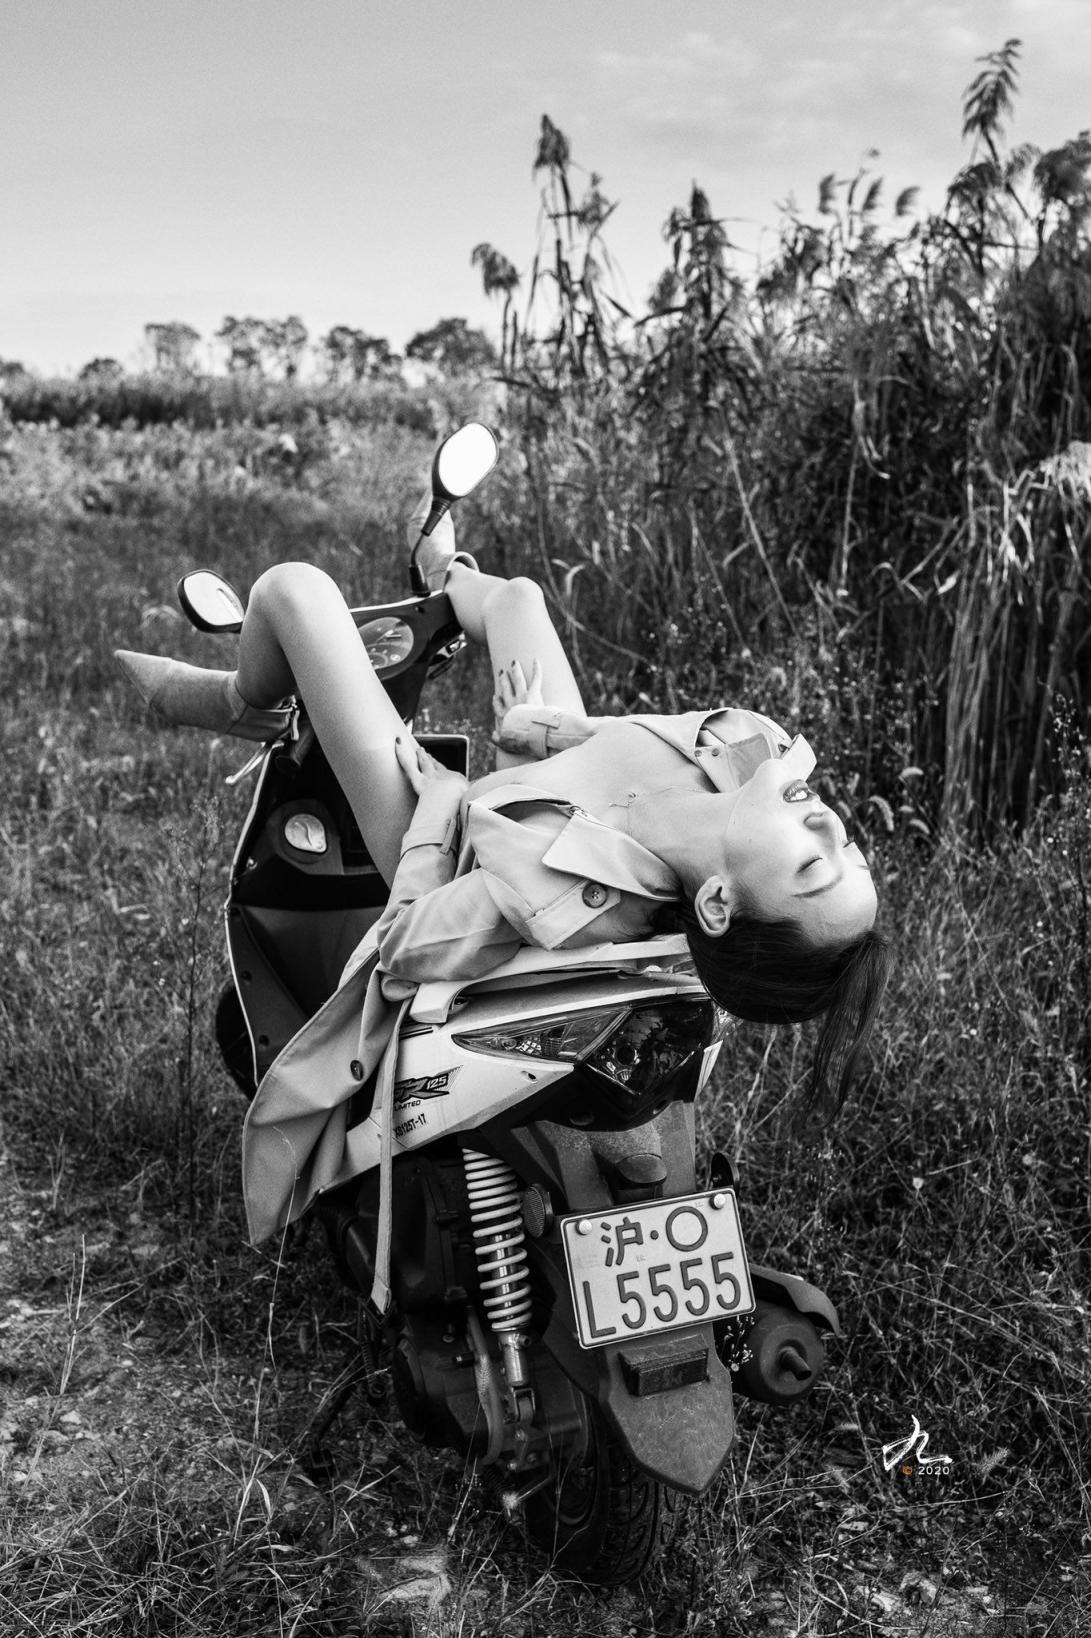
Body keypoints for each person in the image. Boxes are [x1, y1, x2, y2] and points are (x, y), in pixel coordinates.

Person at [116, 497, 888, 1239]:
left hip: (457, 834)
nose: (829, 826)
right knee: (517, 598)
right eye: (849, 850)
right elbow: (623, 737)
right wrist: (543, 732)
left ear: (716, 903)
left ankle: (242, 698)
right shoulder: (742, 747)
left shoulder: (551, 894)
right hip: (553, 782)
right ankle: (443, 575)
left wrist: (431, 802)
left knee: (296, 589)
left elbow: (407, 943)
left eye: (811, 869)